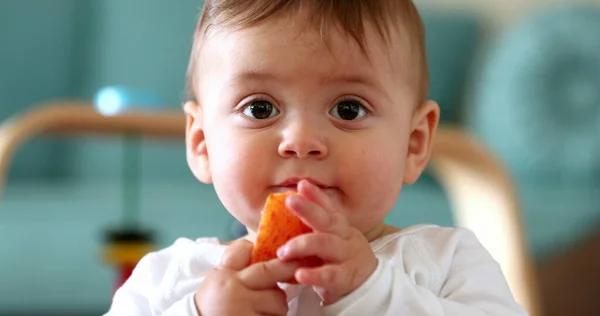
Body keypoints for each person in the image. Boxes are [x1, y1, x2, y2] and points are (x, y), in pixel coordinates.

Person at [105, 0, 529, 315]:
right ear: (201, 143)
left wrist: (374, 292)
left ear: (414, 143)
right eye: (260, 108)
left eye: (348, 109)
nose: (302, 141)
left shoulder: (445, 263)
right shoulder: (172, 279)